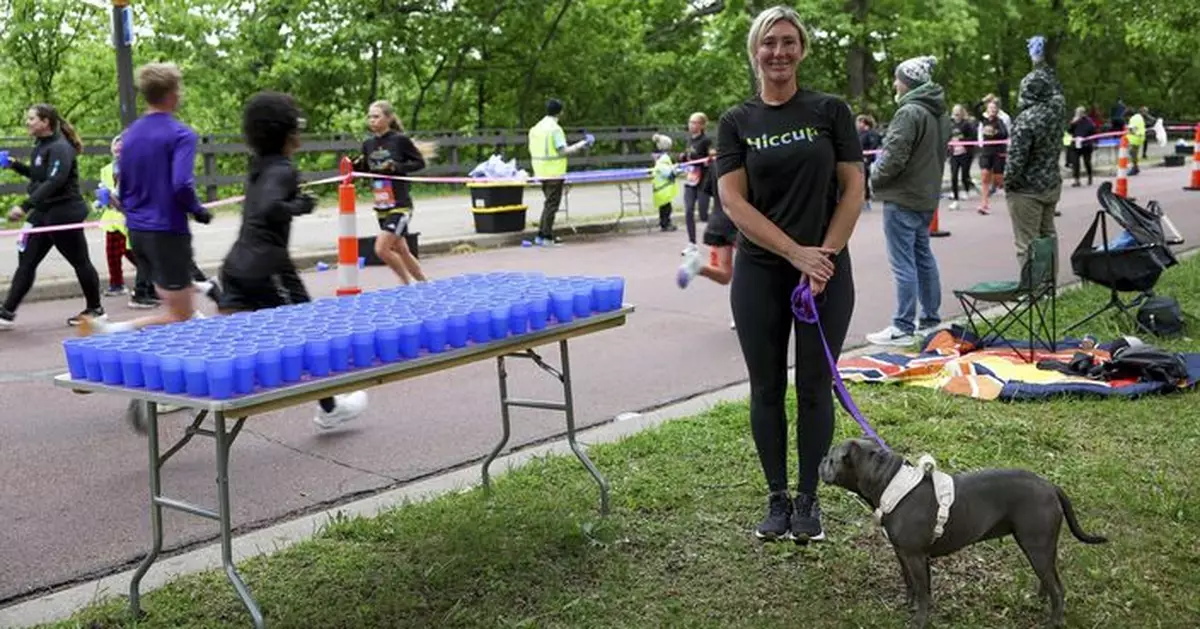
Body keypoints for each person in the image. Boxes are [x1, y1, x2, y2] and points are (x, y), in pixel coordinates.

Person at [716, 5, 864, 543]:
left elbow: (853, 190)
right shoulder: (737, 122)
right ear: (755, 51)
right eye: (768, 43)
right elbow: (734, 203)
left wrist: (821, 256)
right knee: (767, 388)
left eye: (788, 42)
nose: (778, 52)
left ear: (801, 49)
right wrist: (794, 254)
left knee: (814, 388)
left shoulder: (830, 110)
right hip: (761, 273)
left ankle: (809, 500)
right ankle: (777, 498)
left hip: (826, 269)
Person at [218, 91, 368, 429]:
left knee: (229, 340)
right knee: (308, 333)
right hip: (269, 268)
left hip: (235, 266)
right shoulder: (284, 170)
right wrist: (301, 205)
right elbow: (271, 208)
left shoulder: (258, 166)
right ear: (288, 134)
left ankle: (178, 392)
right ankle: (329, 409)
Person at [79, 62, 214, 336]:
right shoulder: (181, 134)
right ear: (173, 93)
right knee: (180, 315)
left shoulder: (130, 137)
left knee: (177, 295)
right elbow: (181, 183)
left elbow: (123, 185)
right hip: (168, 230)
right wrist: (197, 210)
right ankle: (110, 330)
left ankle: (209, 289)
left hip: (138, 231)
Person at [864, 55, 950, 347]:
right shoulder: (939, 113)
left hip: (902, 197)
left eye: (897, 78)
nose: (894, 83)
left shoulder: (909, 112)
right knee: (923, 257)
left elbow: (893, 157)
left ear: (908, 82)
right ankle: (930, 320)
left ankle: (902, 325)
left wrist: (872, 176)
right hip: (926, 196)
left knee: (903, 262)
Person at [0, 104, 104, 329]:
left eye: (31, 119)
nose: (27, 123)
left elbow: (55, 180)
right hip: (43, 213)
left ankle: (95, 309)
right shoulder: (41, 146)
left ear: (45, 122)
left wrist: (25, 206)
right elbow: (39, 175)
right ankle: (6, 312)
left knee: (80, 261)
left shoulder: (60, 148)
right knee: (26, 261)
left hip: (64, 213)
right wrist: (14, 165)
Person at [352, 100, 434, 284]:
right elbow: (368, 168)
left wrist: (396, 166)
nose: (372, 120)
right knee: (401, 249)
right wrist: (356, 166)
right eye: (369, 117)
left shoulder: (400, 140)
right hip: (382, 203)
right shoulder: (368, 144)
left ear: (388, 118)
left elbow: (419, 163)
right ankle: (424, 284)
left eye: (376, 116)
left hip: (400, 204)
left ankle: (407, 284)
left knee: (381, 249)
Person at [1004, 35, 1067, 268]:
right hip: (1050, 183)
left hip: (1027, 189)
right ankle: (1051, 287)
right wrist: (1039, 61)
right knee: (1048, 236)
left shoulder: (1026, 120)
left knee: (1027, 243)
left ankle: (1031, 292)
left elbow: (1017, 159)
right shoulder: (1057, 112)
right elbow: (1054, 85)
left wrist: (1010, 183)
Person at [676, 158, 740, 330]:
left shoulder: (716, 163)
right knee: (748, 272)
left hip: (718, 220)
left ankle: (698, 267)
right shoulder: (744, 159)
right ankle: (742, 314)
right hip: (740, 220)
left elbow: (708, 192)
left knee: (726, 275)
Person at [96, 134, 156, 306]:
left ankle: (148, 284)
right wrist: (102, 201)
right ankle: (120, 284)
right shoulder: (107, 169)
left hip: (129, 215)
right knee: (113, 252)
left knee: (134, 252)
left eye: (122, 146)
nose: (118, 149)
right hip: (112, 216)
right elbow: (107, 190)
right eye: (116, 146)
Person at [527, 98, 594, 246]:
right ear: (560, 112)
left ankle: (542, 234)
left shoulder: (536, 128)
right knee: (552, 205)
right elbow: (563, 150)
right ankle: (546, 236)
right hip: (554, 171)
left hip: (540, 170)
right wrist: (581, 144)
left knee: (548, 203)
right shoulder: (555, 129)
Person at [680, 112, 714, 251]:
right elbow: (689, 159)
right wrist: (682, 157)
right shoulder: (689, 140)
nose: (691, 125)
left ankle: (723, 234)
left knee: (703, 214)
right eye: (690, 122)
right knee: (688, 210)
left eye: (694, 122)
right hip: (691, 180)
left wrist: (709, 156)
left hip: (703, 181)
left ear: (701, 125)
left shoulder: (706, 140)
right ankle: (692, 243)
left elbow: (711, 154)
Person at [976, 99, 1008, 215]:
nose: (992, 110)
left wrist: (994, 131)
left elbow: (1005, 134)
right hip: (986, 152)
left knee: (999, 180)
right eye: (990, 108)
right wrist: (983, 100)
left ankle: (1014, 195)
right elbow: (975, 109)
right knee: (984, 176)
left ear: (997, 110)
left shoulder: (1000, 122)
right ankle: (984, 205)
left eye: (994, 108)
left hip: (998, 153)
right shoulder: (984, 120)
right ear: (987, 110)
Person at [947, 104, 977, 209]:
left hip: (965, 153)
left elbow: (973, 138)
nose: (956, 114)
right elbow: (947, 137)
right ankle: (955, 199)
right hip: (954, 154)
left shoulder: (967, 124)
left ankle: (966, 190)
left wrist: (961, 140)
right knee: (954, 176)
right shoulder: (950, 124)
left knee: (964, 175)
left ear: (961, 113)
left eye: (958, 112)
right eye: (954, 112)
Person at [650, 133, 679, 232]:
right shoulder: (664, 159)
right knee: (666, 208)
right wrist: (675, 169)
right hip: (664, 188)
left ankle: (664, 222)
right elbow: (668, 173)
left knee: (663, 208)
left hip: (660, 188)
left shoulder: (658, 158)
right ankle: (665, 224)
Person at [857, 115, 881, 210]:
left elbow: (873, 147)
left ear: (863, 122)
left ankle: (866, 202)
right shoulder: (860, 133)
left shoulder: (871, 134)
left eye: (859, 122)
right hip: (860, 160)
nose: (857, 124)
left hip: (866, 161)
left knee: (864, 180)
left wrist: (867, 158)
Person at [1067, 106, 1096, 187]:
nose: (1078, 114)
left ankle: (1089, 176)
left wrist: (1088, 139)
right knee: (1075, 162)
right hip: (1076, 144)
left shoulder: (1088, 121)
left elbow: (1093, 130)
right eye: (1077, 112)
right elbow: (1069, 131)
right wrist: (1072, 123)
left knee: (1087, 162)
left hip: (1086, 144)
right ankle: (1076, 180)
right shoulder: (1074, 121)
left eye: (1079, 112)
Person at [1125, 105, 1146, 176]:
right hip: (1140, 137)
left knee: (1132, 153)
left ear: (1129, 115)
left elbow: (1132, 129)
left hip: (1135, 138)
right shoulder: (1139, 117)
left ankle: (1135, 168)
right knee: (1134, 153)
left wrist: (1127, 130)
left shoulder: (1133, 119)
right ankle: (1135, 167)